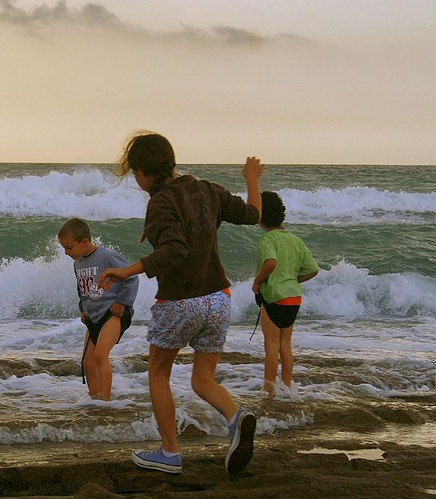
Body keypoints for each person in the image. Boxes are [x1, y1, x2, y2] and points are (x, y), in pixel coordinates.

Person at [98, 131, 263, 476]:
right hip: (218, 299)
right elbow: (251, 215)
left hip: (180, 303)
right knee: (203, 380)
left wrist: (128, 270)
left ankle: (170, 453)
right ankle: (236, 416)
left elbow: (175, 251)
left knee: (158, 373)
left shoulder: (160, 202)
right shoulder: (209, 190)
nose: (136, 180)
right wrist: (251, 179)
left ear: (145, 170)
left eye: (135, 173)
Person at [57, 218, 139, 401]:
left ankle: (106, 400)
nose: (66, 252)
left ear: (85, 241)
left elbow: (131, 278)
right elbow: (81, 289)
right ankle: (94, 399)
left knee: (101, 355)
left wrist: (122, 302)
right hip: (93, 316)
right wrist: (83, 309)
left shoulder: (107, 256)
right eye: (64, 248)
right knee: (87, 361)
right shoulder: (77, 263)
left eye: (69, 247)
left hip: (113, 313)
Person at [252, 191, 319, 399]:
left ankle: (269, 390)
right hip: (293, 299)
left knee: (271, 345)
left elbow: (270, 262)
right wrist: (292, 280)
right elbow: (313, 269)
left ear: (260, 217)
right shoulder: (295, 240)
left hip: (274, 297)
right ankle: (287, 386)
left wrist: (257, 282)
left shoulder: (267, 239)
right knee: (285, 345)